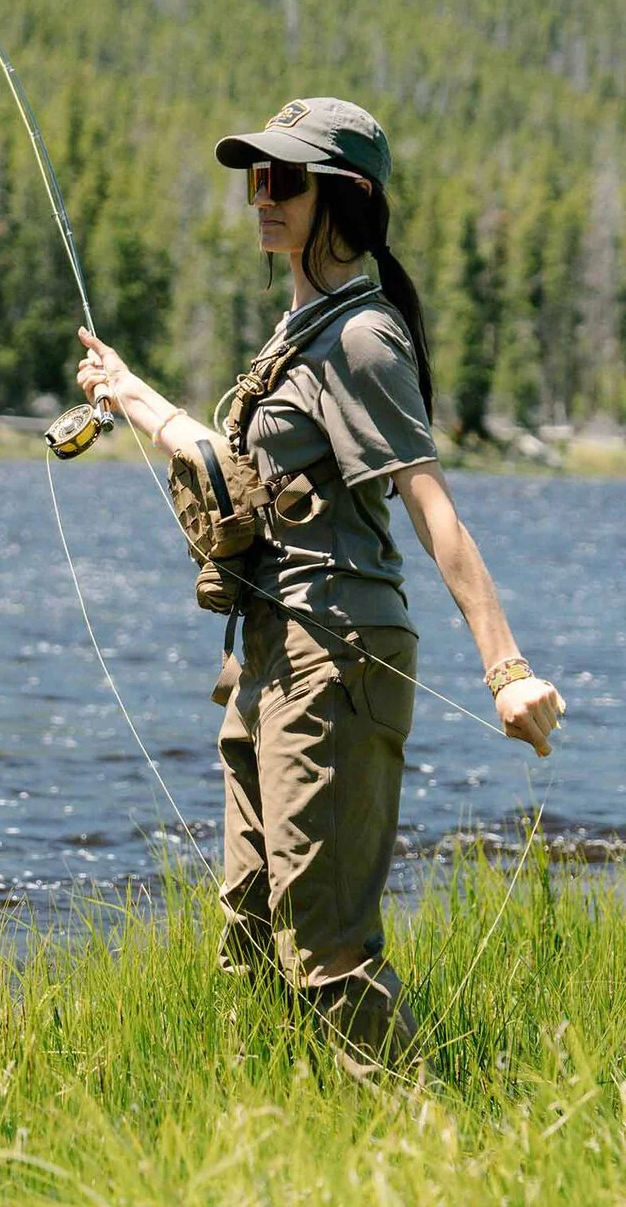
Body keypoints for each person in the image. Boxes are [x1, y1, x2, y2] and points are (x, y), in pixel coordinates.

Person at [72, 96, 565, 1079]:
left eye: (286, 179)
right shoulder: (298, 330)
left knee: (328, 947)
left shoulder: (363, 337)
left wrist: (506, 670)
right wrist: (129, 394)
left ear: (347, 198)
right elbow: (234, 472)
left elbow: (432, 508)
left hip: (337, 657)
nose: (264, 196)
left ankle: (425, 1130)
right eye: (257, 177)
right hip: (267, 657)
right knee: (252, 933)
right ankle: (281, 1127)